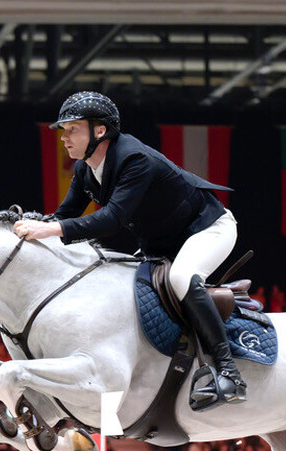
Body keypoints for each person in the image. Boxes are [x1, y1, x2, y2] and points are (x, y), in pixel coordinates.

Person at [13, 91, 243, 411]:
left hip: (207, 229)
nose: (64, 138)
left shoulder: (136, 160)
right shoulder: (84, 169)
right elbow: (64, 217)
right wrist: (28, 230)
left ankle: (229, 374)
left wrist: (50, 230)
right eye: (63, 131)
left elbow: (112, 219)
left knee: (180, 278)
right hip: (162, 242)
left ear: (100, 131)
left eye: (72, 129)